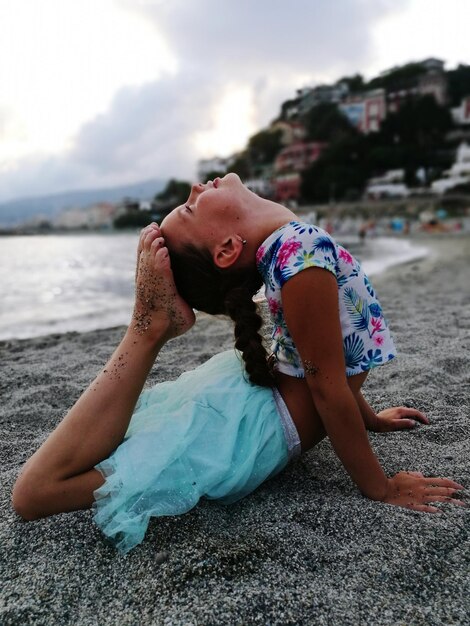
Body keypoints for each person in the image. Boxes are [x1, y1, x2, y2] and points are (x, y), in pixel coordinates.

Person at [12, 175, 464, 554]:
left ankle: (151, 324)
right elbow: (325, 387)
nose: (193, 188)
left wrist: (370, 421)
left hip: (254, 410)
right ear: (227, 248)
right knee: (36, 493)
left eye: (186, 204)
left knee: (131, 445)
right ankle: (147, 325)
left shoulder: (291, 252)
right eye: (190, 209)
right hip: (249, 434)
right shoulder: (299, 255)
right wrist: (379, 487)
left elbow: (325, 365)